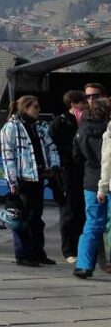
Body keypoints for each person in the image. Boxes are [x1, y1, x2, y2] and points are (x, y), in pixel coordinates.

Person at [0, 95, 60, 266]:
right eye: (35, 107)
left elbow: (51, 147)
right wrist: (12, 181)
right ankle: (23, 255)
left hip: (38, 176)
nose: (39, 110)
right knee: (21, 218)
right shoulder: (10, 128)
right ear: (25, 108)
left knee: (36, 218)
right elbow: (7, 156)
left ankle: (38, 252)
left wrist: (54, 166)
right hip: (22, 179)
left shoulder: (39, 127)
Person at [73, 98, 110, 278]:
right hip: (108, 180)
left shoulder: (81, 130)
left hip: (90, 180)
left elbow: (76, 156)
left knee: (92, 223)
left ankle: (83, 265)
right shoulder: (108, 130)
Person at [49, 90, 87, 263]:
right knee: (69, 211)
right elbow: (52, 146)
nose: (86, 105)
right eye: (82, 102)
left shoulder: (85, 121)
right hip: (68, 171)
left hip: (84, 171)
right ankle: (68, 250)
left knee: (82, 211)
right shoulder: (60, 123)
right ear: (73, 104)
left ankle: (81, 247)